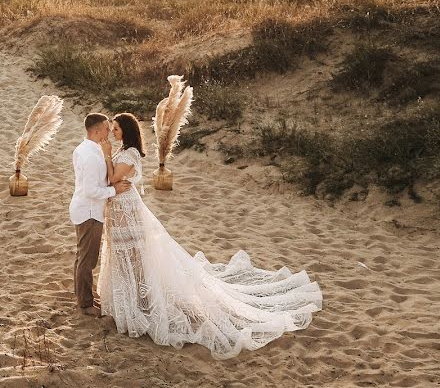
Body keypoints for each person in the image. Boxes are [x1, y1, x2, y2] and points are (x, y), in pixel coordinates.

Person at [96, 112, 323, 359]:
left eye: (116, 129)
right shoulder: (122, 151)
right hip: (118, 209)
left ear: (126, 131)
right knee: (123, 255)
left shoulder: (128, 154)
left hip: (127, 210)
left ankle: (139, 302)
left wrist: (106, 154)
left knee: (134, 255)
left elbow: (113, 177)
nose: (113, 133)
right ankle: (127, 301)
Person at [70, 112, 131, 317]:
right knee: (88, 259)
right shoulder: (88, 155)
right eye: (106, 128)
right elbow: (91, 190)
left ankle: (82, 294)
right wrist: (115, 190)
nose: (109, 132)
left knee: (83, 256)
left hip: (86, 208)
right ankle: (85, 303)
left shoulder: (89, 149)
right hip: (89, 211)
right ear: (96, 131)